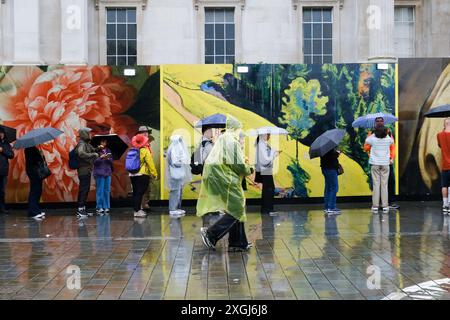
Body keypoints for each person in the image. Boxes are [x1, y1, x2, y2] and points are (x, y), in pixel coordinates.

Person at [197, 116, 254, 252]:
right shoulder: (231, 141)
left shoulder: (224, 138)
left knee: (235, 208)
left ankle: (238, 243)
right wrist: (249, 169)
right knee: (237, 208)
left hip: (219, 177)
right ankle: (211, 234)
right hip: (226, 179)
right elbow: (237, 164)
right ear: (236, 128)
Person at [364, 117, 399, 210]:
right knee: (384, 184)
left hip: (377, 162)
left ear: (383, 122)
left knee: (378, 184)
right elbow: (392, 143)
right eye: (378, 121)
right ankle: (385, 205)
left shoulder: (372, 135)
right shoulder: (387, 136)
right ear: (375, 123)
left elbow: (366, 146)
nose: (379, 122)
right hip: (385, 162)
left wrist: (392, 157)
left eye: (381, 121)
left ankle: (376, 205)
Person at [129, 133, 158, 217]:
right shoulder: (145, 150)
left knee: (135, 192)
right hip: (142, 174)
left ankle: (136, 209)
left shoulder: (132, 150)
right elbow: (150, 163)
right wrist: (154, 173)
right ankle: (137, 211)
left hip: (132, 174)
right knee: (140, 192)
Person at [165, 135, 191, 218]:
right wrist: (182, 161)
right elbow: (175, 163)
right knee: (175, 191)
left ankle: (177, 207)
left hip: (178, 174)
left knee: (178, 191)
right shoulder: (173, 149)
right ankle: (173, 209)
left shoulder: (175, 148)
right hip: (175, 174)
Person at [255, 133, 281, 215]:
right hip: (265, 169)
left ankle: (266, 209)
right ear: (263, 135)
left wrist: (274, 153)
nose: (269, 136)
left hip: (265, 169)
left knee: (268, 189)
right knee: (269, 189)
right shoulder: (261, 145)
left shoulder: (262, 144)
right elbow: (266, 159)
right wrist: (274, 153)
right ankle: (268, 209)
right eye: (268, 134)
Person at [75, 128, 99, 218]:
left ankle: (83, 208)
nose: (90, 134)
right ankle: (80, 210)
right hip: (83, 170)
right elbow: (81, 153)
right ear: (84, 134)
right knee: (84, 189)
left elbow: (93, 150)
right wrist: (93, 155)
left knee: (85, 189)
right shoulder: (81, 144)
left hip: (86, 170)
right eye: (88, 133)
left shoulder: (86, 144)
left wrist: (97, 149)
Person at [25, 146, 48, 220]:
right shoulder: (29, 149)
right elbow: (32, 160)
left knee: (38, 190)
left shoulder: (33, 148)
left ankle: (36, 210)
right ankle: (33, 212)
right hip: (34, 172)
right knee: (34, 191)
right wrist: (40, 156)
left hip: (36, 172)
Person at [137, 125, 155, 211]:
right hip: (141, 170)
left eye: (146, 132)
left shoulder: (148, 144)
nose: (146, 133)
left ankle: (145, 204)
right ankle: (141, 206)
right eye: (143, 132)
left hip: (147, 169)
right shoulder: (138, 143)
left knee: (148, 188)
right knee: (142, 188)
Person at [93, 138, 113, 215]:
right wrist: (101, 158)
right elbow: (94, 162)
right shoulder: (96, 151)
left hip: (107, 173)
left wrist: (108, 158)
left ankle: (106, 206)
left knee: (107, 190)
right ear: (99, 143)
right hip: (99, 173)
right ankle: (99, 207)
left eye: (105, 142)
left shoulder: (108, 150)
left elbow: (111, 162)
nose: (104, 143)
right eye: (102, 141)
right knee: (100, 190)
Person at [320, 148, 341, 215]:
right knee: (334, 187)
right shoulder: (329, 148)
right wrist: (338, 153)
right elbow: (331, 157)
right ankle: (331, 207)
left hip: (325, 168)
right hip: (331, 169)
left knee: (328, 188)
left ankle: (327, 207)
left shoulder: (322, 147)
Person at [437, 118, 450, 215]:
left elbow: (440, 145)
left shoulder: (439, 135)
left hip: (445, 165)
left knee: (444, 185)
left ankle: (445, 205)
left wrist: (444, 129)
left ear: (444, 125)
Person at [0, 127, 13, 214]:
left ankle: (2, 208)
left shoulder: (7, 144)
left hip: (3, 171)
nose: (1, 134)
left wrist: (2, 150)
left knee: (2, 190)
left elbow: (11, 155)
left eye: (2, 133)